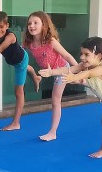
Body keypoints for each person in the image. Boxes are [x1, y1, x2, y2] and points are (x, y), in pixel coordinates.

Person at [39, 36, 102, 158]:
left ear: (98, 56)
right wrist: (52, 72)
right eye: (81, 54)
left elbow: (88, 73)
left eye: (86, 54)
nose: (82, 57)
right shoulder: (86, 64)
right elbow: (70, 69)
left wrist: (74, 78)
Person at [23, 11, 78, 141]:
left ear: (44, 25)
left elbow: (66, 55)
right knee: (81, 83)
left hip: (62, 70)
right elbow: (20, 52)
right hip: (49, 72)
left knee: (55, 101)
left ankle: (53, 132)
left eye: (35, 23)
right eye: (29, 23)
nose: (32, 26)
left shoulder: (50, 41)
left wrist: (79, 69)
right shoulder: (29, 43)